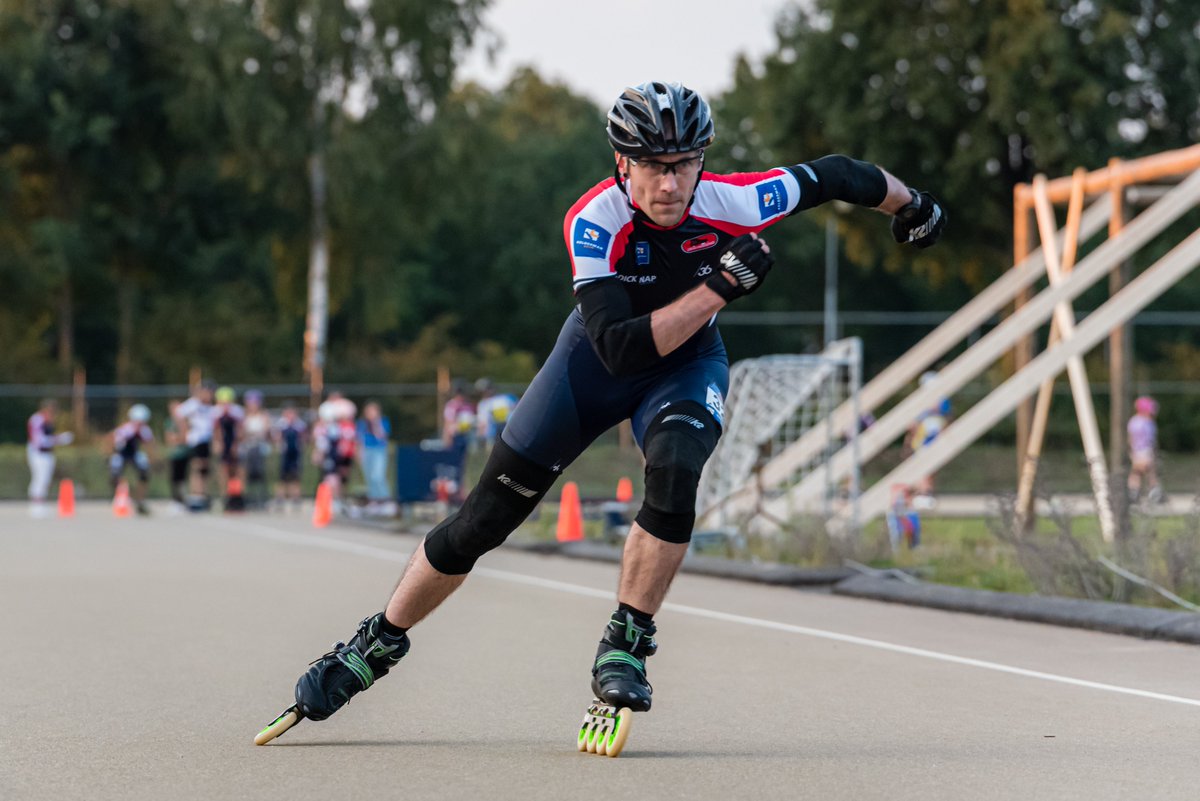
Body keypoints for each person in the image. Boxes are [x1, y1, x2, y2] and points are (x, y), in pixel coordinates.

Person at [278, 81, 945, 733]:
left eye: (684, 164)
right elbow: (621, 350)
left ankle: (628, 638)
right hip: (593, 366)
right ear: (623, 163)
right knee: (482, 520)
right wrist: (718, 287)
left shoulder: (735, 200)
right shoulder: (594, 218)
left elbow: (836, 175)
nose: (670, 184)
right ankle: (377, 641)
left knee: (678, 466)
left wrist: (910, 203)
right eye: (654, 166)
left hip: (685, 366)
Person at [904, 370, 950, 508]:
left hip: (933, 438)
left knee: (930, 469)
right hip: (923, 439)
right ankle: (923, 493)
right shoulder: (922, 402)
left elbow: (946, 418)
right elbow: (913, 424)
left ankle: (925, 492)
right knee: (923, 468)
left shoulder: (942, 402)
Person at [26, 399, 73, 517]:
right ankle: (36, 505)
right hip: (38, 453)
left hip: (47, 454)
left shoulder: (48, 421)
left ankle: (40, 503)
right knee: (39, 478)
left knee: (45, 479)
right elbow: (39, 441)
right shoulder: (37, 420)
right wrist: (59, 439)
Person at [174, 381, 217, 508]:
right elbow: (178, 413)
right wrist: (184, 430)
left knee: (205, 468)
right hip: (196, 440)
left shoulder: (212, 407)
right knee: (197, 466)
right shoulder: (193, 404)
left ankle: (204, 493)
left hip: (207, 440)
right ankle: (196, 494)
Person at [108, 404, 155, 515]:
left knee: (144, 473)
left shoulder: (145, 430)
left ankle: (140, 499)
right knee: (115, 474)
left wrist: (152, 458)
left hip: (135, 454)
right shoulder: (126, 429)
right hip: (121, 454)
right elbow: (112, 439)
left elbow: (150, 444)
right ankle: (122, 496)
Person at [241, 390, 273, 509]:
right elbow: (242, 433)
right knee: (247, 473)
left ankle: (261, 498)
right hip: (248, 447)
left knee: (260, 473)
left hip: (259, 448)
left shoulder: (264, 416)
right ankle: (248, 497)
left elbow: (266, 431)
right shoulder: (244, 416)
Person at [357, 401, 392, 508]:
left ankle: (385, 499)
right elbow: (359, 440)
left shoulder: (383, 422)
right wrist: (359, 454)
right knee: (369, 477)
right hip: (367, 450)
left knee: (377, 475)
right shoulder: (362, 423)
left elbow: (382, 436)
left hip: (379, 450)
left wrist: (375, 423)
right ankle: (374, 499)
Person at [273, 404, 307, 513]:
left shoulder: (299, 425)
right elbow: (277, 437)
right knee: (282, 477)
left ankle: (296, 497)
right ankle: (280, 497)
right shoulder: (281, 425)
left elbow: (304, 438)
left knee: (295, 476)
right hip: (285, 453)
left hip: (295, 453)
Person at [1127, 395, 1162, 503]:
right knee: (1151, 472)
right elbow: (1151, 440)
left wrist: (1132, 452)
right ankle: (1154, 492)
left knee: (1136, 473)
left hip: (1136, 451)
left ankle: (1133, 492)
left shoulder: (1133, 421)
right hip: (1145, 451)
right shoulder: (1148, 423)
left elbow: (1130, 438)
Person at [474, 378, 518, 451]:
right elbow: (482, 422)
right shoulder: (483, 404)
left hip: (509, 432)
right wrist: (480, 436)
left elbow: (516, 409)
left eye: (489, 388)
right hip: (492, 434)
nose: (488, 391)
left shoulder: (507, 398)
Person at [441, 381, 476, 450]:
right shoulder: (452, 405)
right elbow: (448, 423)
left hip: (468, 436)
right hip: (456, 436)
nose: (461, 395)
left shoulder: (468, 405)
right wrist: (447, 439)